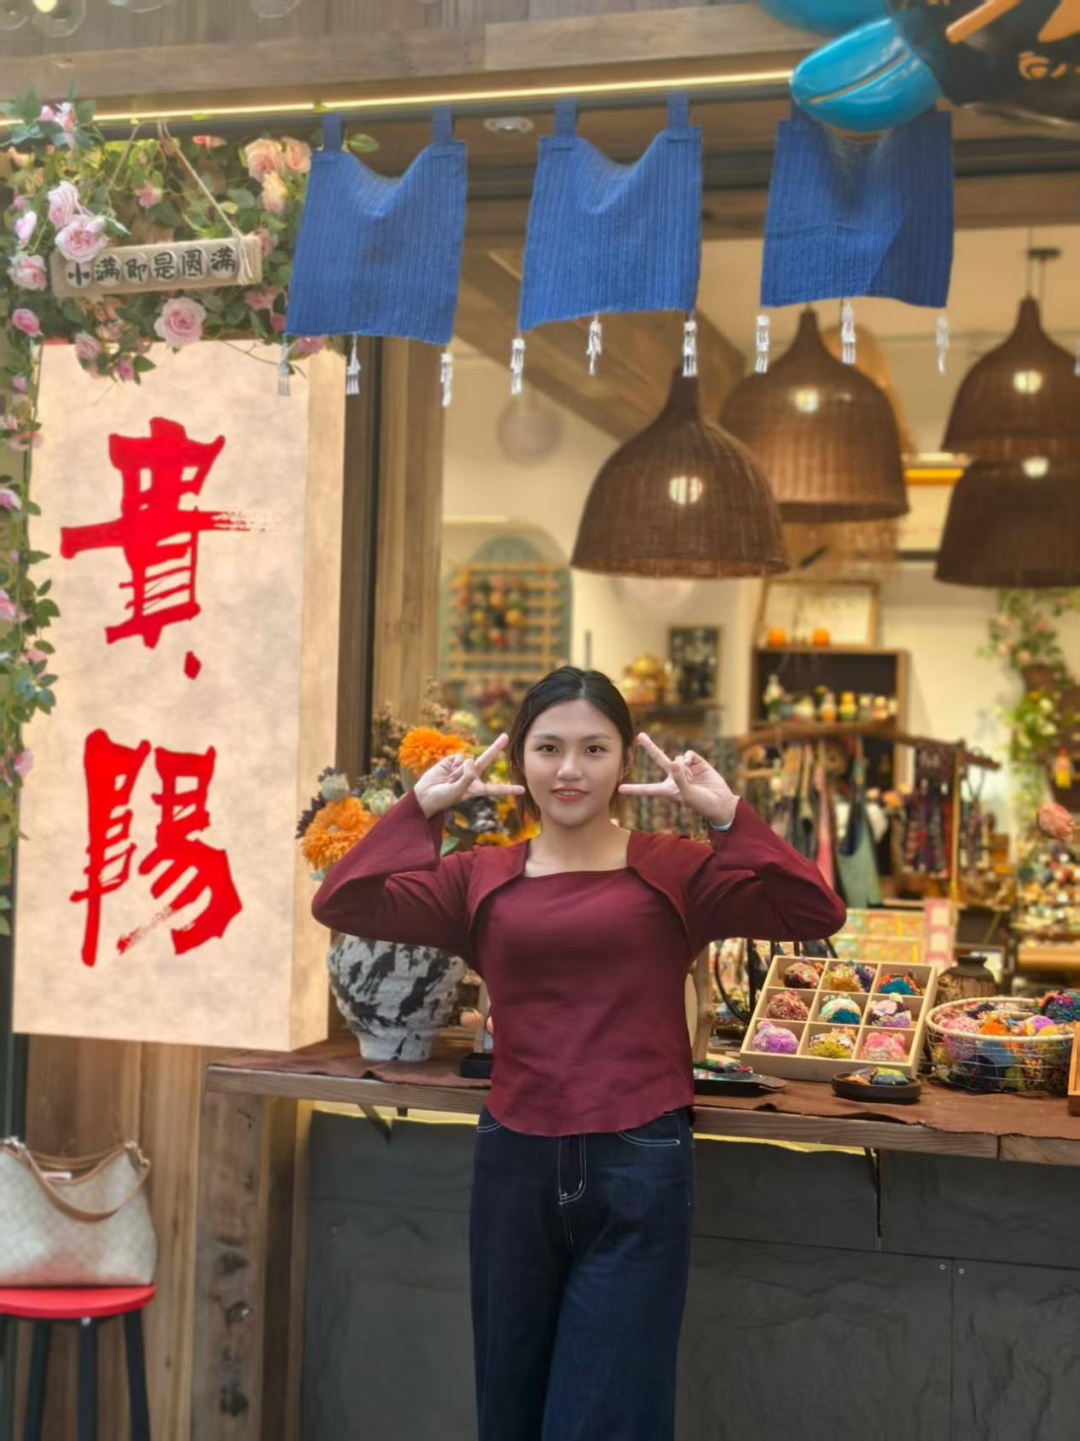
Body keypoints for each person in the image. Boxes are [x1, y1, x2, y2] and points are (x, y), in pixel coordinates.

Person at [312, 666, 846, 1441]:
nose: (570, 769)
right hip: (513, 1163)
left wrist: (728, 814)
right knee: (509, 1408)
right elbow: (342, 900)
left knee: (606, 1419)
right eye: (549, 747)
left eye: (594, 749)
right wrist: (420, 809)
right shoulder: (477, 877)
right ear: (519, 760)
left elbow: (815, 909)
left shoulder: (677, 869)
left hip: (641, 1163)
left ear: (625, 760)